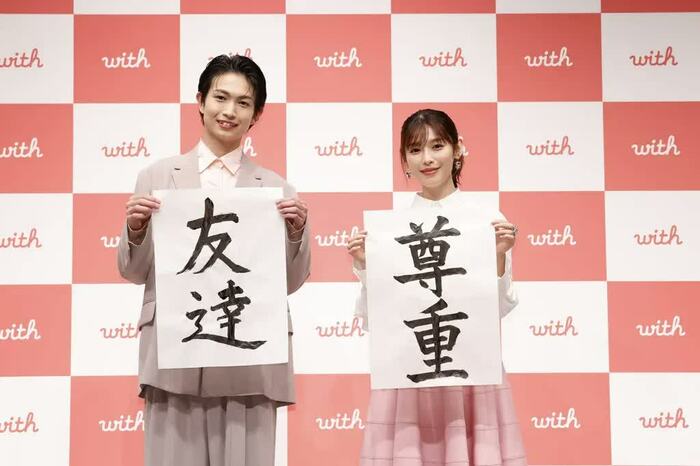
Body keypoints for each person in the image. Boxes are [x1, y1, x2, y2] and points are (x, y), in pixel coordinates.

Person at [117, 54, 310, 466]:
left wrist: (296, 233)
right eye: (221, 97)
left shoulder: (276, 189)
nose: (230, 111)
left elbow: (291, 282)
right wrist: (135, 228)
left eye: (243, 102)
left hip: (249, 362)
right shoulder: (157, 177)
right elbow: (132, 271)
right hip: (175, 355)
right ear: (200, 101)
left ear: (257, 114)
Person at [347, 109, 527, 466]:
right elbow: (377, 319)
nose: (427, 159)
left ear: (457, 149)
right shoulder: (391, 230)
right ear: (405, 160)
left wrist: (498, 256)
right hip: (410, 373)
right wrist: (367, 265)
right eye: (415, 150)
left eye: (437, 146)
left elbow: (500, 307)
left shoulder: (486, 220)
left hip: (472, 373)